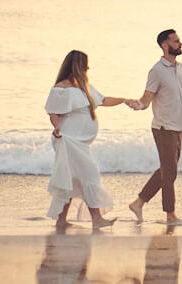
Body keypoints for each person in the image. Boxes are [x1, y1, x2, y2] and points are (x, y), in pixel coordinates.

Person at [45, 49, 127, 229]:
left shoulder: (85, 87)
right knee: (89, 174)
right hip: (68, 139)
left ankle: (61, 220)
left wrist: (123, 100)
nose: (88, 68)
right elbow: (53, 112)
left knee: (73, 178)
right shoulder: (61, 88)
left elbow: (104, 100)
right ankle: (97, 219)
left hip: (80, 142)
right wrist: (57, 127)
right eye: (85, 64)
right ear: (76, 65)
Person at [127, 29, 182, 225]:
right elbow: (147, 96)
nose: (180, 43)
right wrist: (140, 104)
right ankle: (170, 215)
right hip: (163, 128)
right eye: (176, 41)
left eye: (179, 40)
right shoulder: (156, 71)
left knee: (166, 171)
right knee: (170, 173)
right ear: (165, 45)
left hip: (177, 128)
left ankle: (138, 203)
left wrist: (181, 129)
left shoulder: (181, 68)